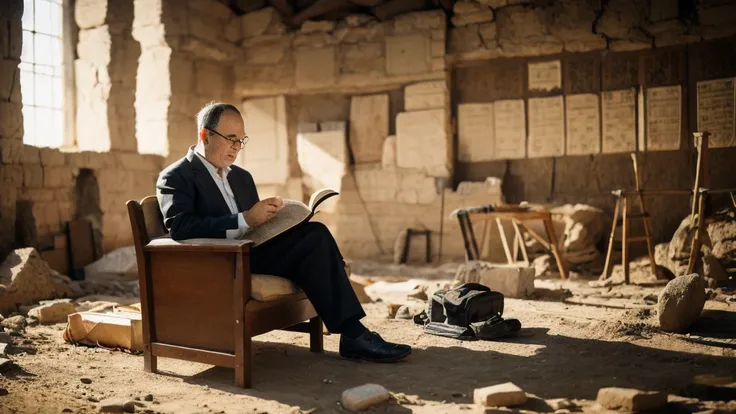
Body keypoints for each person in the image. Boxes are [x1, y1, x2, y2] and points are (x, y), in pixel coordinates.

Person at [156, 102, 411, 362]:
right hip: (221, 261)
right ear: (205, 135)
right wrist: (244, 218)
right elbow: (180, 227)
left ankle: (353, 334)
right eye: (230, 139)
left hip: (254, 252)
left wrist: (277, 220)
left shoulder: (241, 177)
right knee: (314, 245)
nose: (236, 147)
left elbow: (255, 228)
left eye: (241, 140)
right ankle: (354, 335)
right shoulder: (176, 176)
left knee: (315, 233)